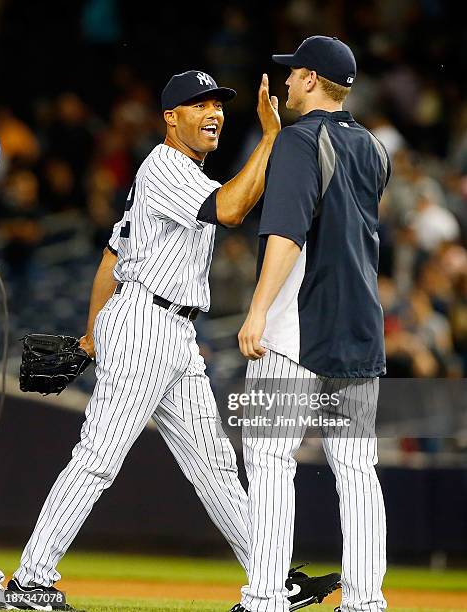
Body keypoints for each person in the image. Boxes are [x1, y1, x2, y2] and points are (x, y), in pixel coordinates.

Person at [3, 70, 337, 611]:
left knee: (216, 467)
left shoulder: (182, 176)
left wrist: (90, 340)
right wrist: (272, 138)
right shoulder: (164, 164)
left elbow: (111, 258)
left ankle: (270, 576)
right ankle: (31, 580)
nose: (213, 112)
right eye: (198, 104)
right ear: (170, 117)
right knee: (98, 459)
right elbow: (230, 209)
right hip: (145, 323)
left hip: (173, 331)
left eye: (218, 104)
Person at [236, 37, 390, 612]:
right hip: (360, 329)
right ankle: (366, 601)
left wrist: (256, 309)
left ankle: (265, 597)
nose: (285, 82)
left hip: (297, 328)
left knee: (271, 458)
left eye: (292, 73)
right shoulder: (374, 147)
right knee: (356, 467)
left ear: (308, 79)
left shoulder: (300, 141)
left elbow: (287, 232)